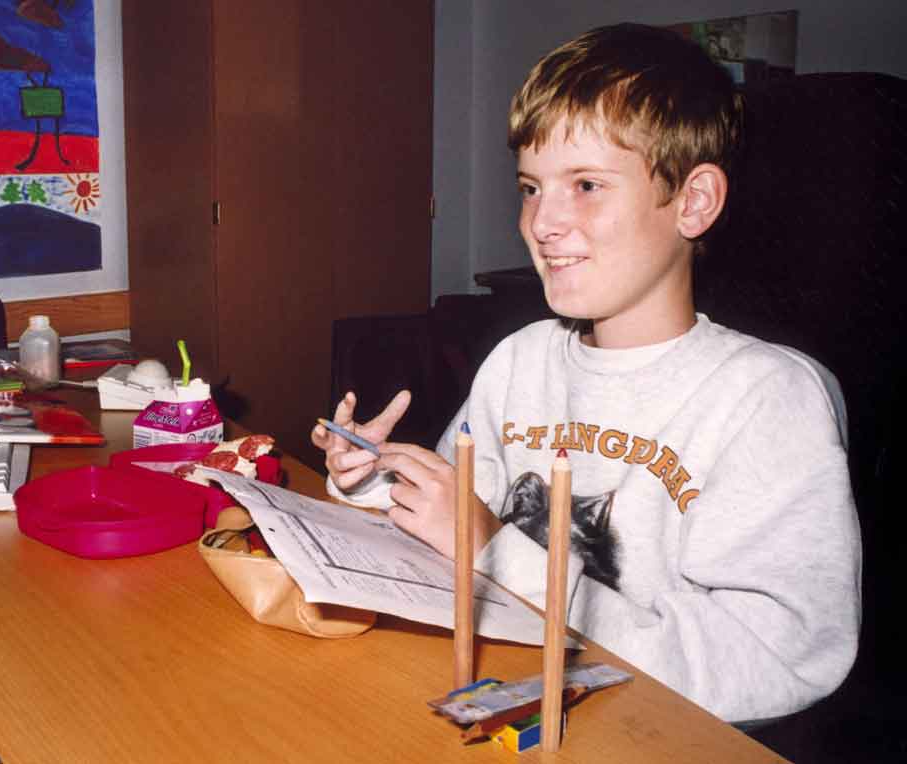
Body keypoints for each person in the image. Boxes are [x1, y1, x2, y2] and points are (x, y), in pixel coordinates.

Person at [312, 23, 860, 725]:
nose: (542, 222)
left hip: (650, 729)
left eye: (587, 185)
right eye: (531, 188)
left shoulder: (767, 400)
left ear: (692, 202)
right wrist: (372, 475)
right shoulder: (522, 358)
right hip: (512, 687)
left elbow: (775, 659)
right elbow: (454, 520)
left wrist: (494, 550)